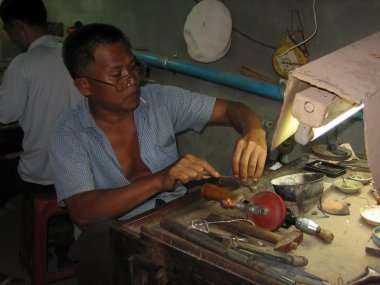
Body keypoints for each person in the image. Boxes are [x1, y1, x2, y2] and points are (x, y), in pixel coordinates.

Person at [49, 23, 267, 284]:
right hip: (116, 235)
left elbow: (234, 109)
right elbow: (83, 213)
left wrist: (254, 132)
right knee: (101, 240)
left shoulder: (159, 101)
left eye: (132, 67)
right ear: (85, 86)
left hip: (172, 217)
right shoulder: (69, 132)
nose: (131, 80)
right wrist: (159, 180)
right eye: (117, 75)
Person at [0, 0, 82, 207]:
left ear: (18, 27)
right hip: (81, 170)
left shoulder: (23, 64)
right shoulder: (75, 55)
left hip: (43, 177)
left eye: (8, 31)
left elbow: (4, 114)